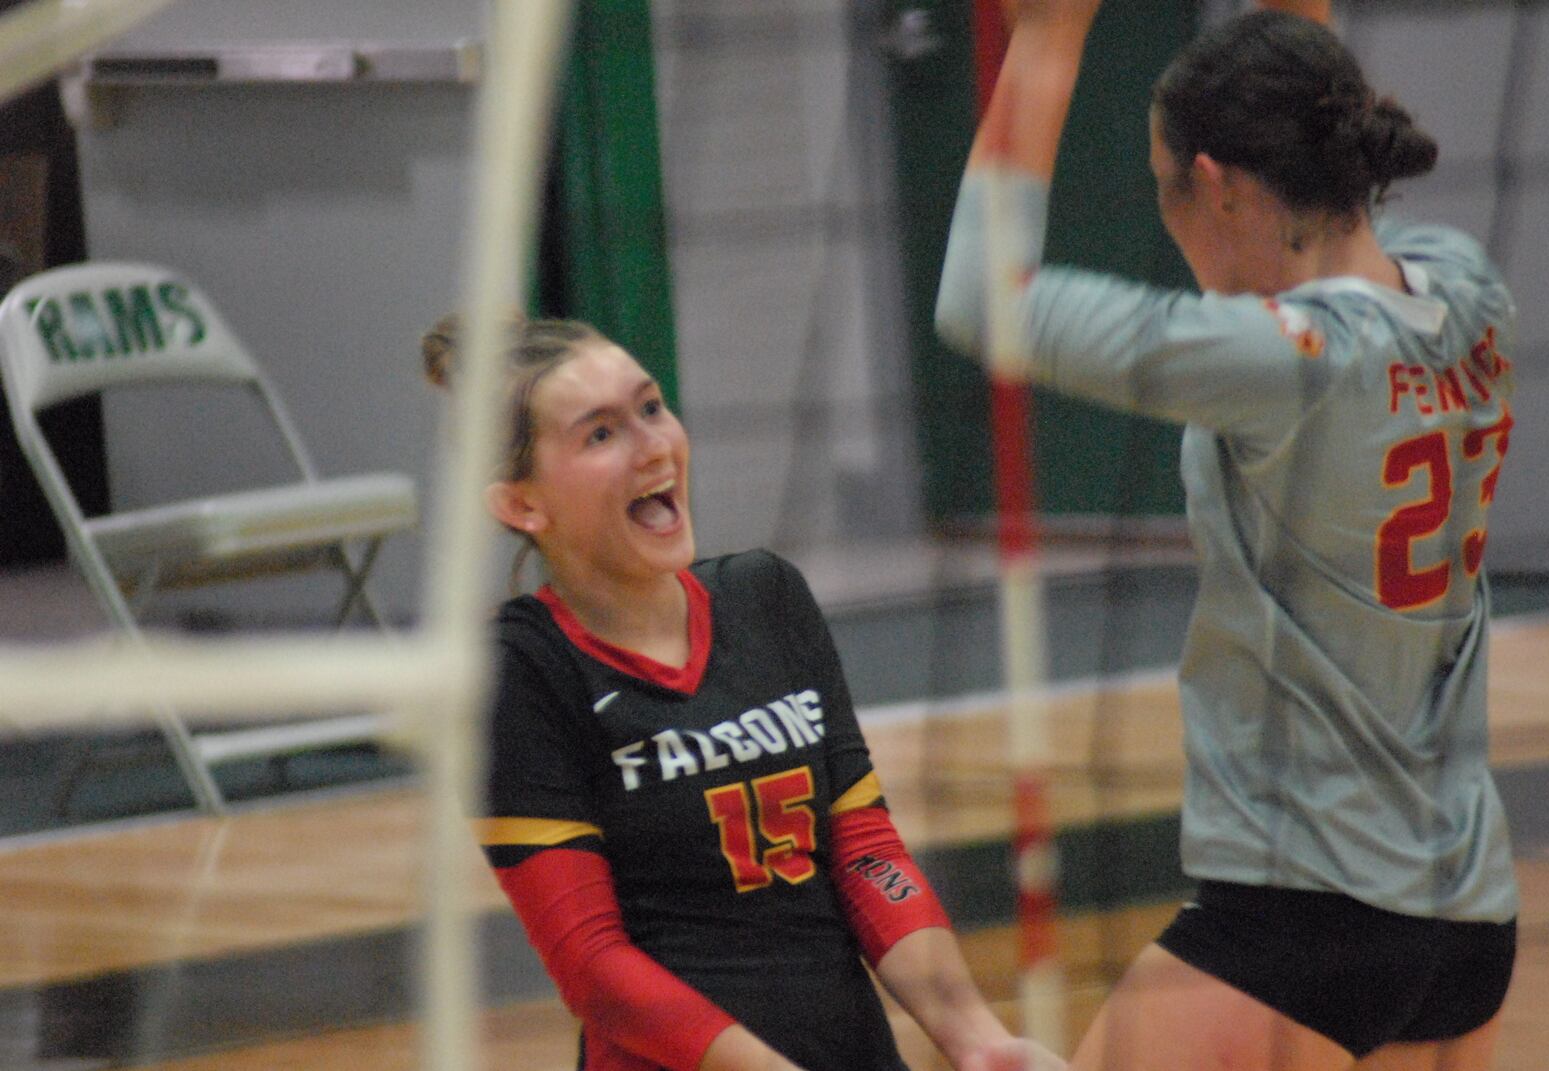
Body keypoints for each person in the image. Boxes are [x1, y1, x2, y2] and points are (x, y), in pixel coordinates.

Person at [935, 3, 1518, 1070]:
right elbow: (1305, 82)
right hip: (1468, 912)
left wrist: (1049, 39)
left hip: (1304, 911)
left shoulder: (1281, 363)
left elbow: (981, 304)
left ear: (1217, 184)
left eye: (1163, 186)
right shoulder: (1468, 290)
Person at [421, 313, 1067, 1071]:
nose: (655, 445)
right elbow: (593, 967)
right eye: (600, 434)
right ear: (522, 505)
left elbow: (862, 850)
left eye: (652, 407)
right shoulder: (516, 670)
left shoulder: (767, 597)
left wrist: (974, 1036)